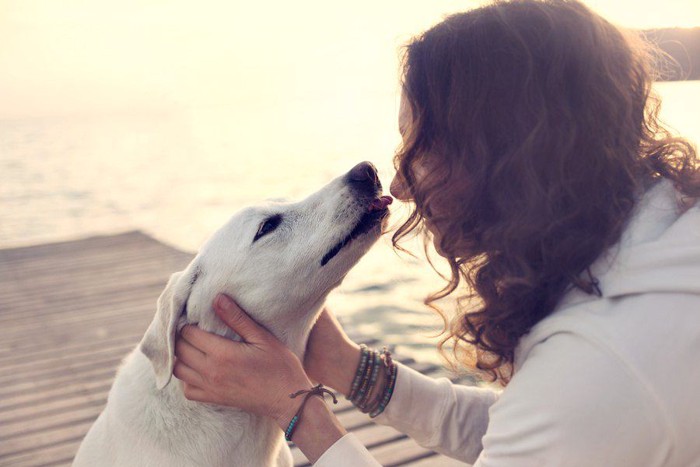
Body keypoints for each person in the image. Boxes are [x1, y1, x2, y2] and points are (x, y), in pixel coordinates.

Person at [173, 0, 700, 465]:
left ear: (501, 152)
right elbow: (524, 430)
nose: (399, 184)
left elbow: (562, 414)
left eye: (417, 146)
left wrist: (297, 412)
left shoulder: (604, 359)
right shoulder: (662, 236)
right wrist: (344, 365)